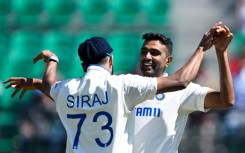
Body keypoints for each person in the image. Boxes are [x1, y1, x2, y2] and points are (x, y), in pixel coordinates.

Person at [4, 22, 226, 153]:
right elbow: (180, 81)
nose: (147, 57)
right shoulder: (122, 84)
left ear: (82, 64)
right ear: (110, 61)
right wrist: (202, 48)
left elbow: (49, 85)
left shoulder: (68, 89)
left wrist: (51, 60)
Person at [128, 24, 235, 153]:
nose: (147, 57)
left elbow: (226, 100)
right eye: (144, 52)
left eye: (154, 53)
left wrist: (221, 53)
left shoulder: (180, 92)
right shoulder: (127, 86)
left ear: (168, 61)